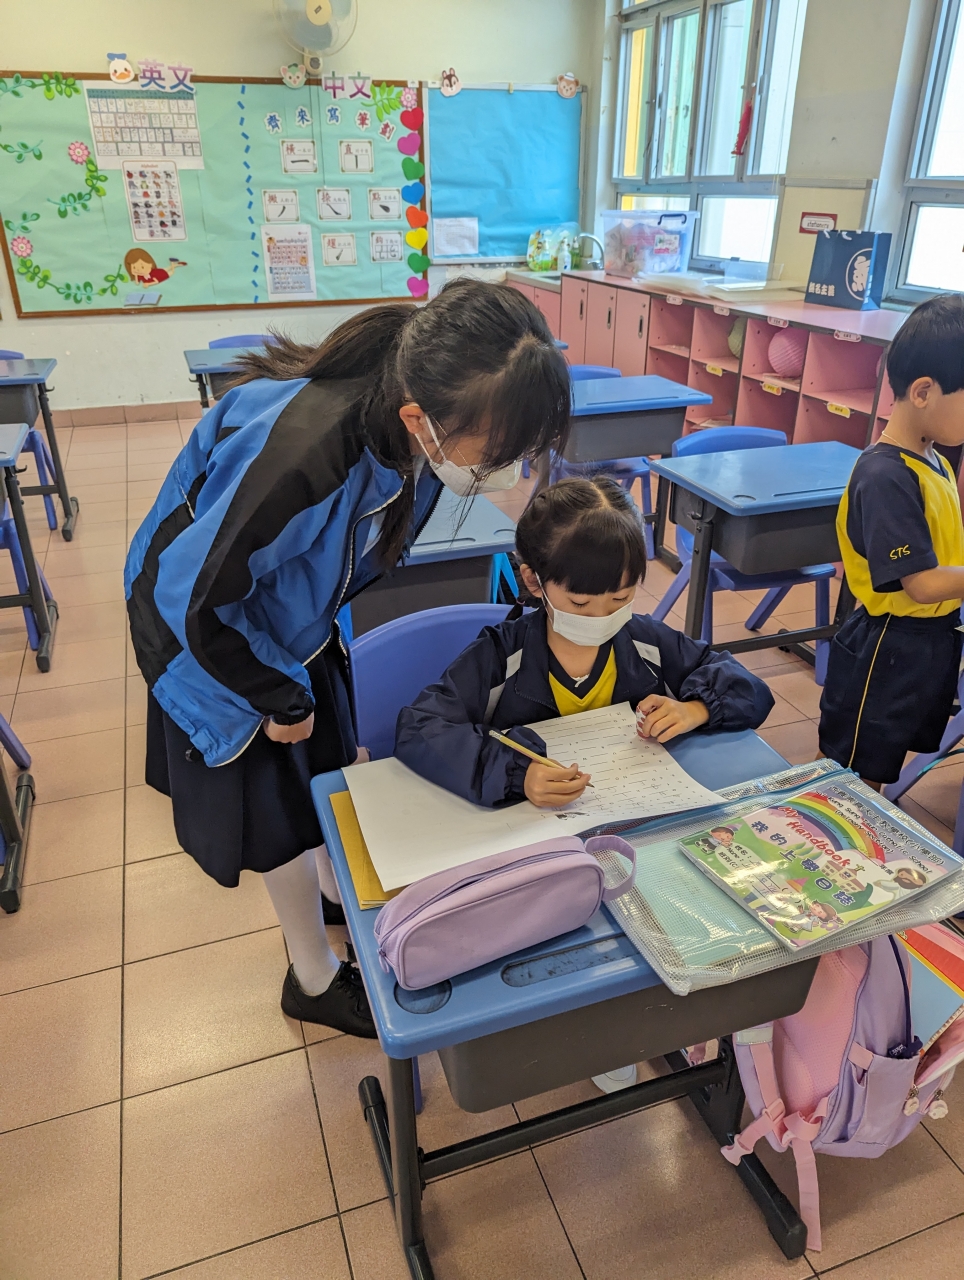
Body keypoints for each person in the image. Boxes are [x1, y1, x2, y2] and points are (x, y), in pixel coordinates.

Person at [125, 279, 571, 1037]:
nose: (506, 472)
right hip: (209, 639)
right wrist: (274, 695)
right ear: (418, 418)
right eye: (498, 454)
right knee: (274, 810)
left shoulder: (406, 410)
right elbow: (190, 599)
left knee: (325, 768)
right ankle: (311, 974)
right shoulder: (305, 454)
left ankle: (336, 893)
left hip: (287, 620)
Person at [394, 476, 773, 1091]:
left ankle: (657, 1020)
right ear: (533, 580)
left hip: (634, 839)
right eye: (580, 602)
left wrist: (696, 708)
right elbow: (420, 727)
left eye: (620, 598)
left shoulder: (644, 642)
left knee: (672, 914)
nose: (602, 617)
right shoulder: (502, 654)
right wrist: (515, 774)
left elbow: (744, 684)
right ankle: (585, 1030)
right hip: (540, 854)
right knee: (563, 939)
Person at [818, 293, 964, 789]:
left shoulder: (935, 459)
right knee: (855, 771)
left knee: (887, 755)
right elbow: (920, 584)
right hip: (886, 647)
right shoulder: (886, 476)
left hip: (930, 641)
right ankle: (832, 825)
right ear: (923, 391)